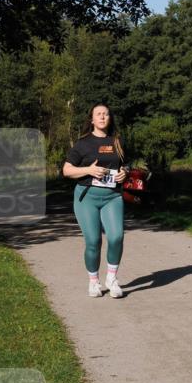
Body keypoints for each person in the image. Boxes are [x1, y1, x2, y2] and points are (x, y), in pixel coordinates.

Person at [62, 104, 129, 298]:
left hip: (112, 197)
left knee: (116, 237)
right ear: (91, 120)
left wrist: (124, 173)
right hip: (87, 197)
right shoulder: (83, 144)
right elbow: (66, 170)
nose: (102, 116)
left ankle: (112, 279)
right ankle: (93, 282)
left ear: (110, 118)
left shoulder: (117, 141)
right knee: (93, 241)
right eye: (98, 114)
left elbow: (125, 164)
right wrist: (88, 170)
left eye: (106, 114)